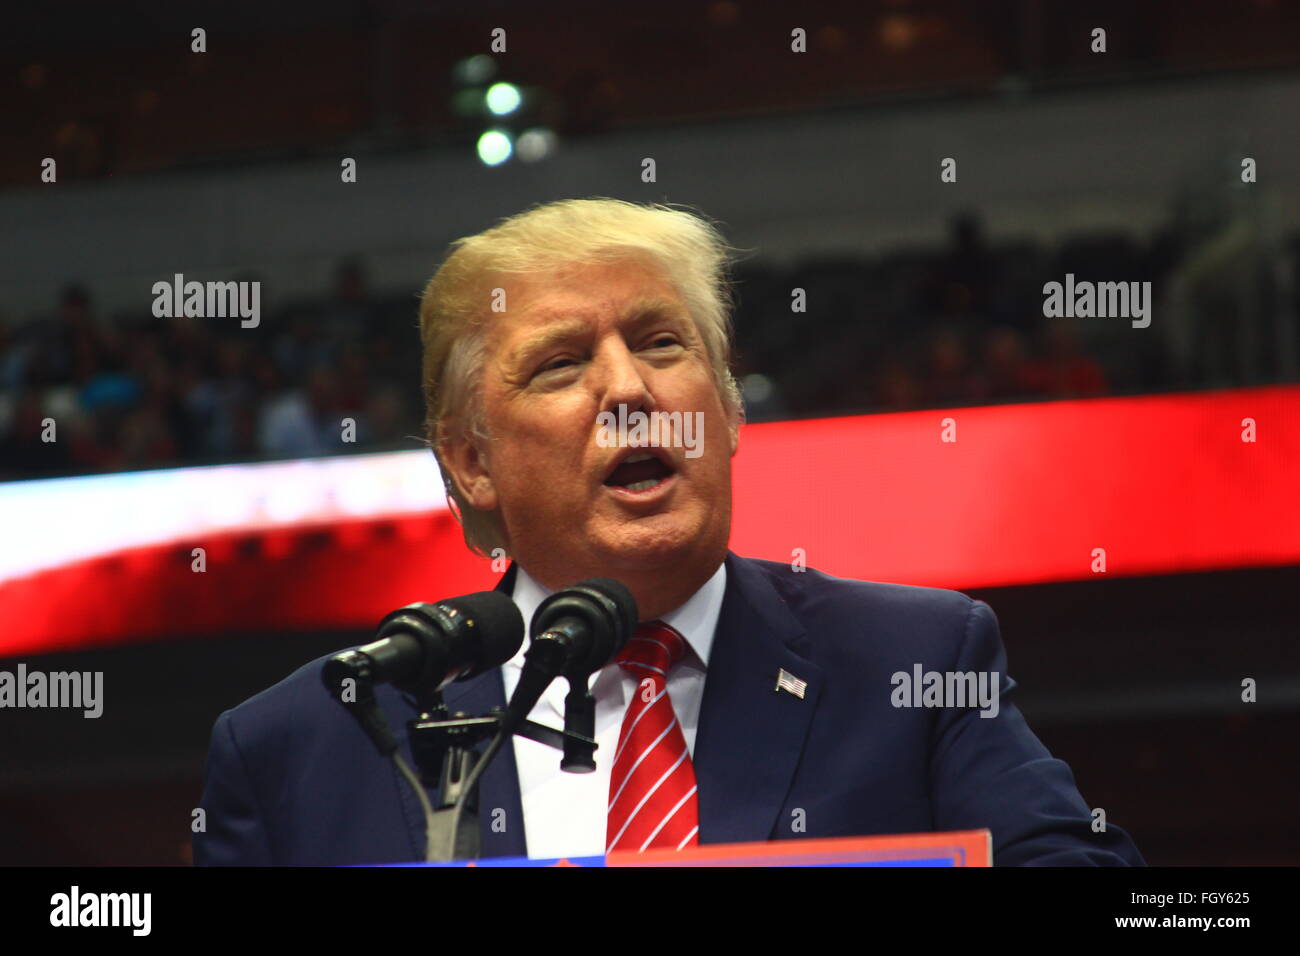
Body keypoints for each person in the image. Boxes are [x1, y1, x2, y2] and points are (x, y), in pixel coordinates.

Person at [195, 198, 1144, 866]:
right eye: (562, 366)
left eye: (661, 343)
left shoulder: (916, 662)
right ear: (471, 461)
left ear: (727, 412)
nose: (630, 389)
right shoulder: (307, 740)